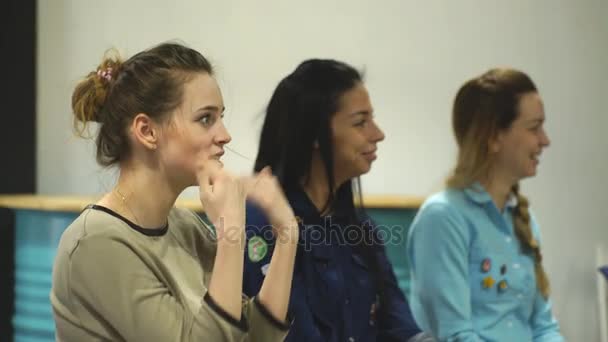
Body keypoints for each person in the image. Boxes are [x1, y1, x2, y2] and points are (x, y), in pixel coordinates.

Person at [50, 42, 299, 341]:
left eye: (221, 117)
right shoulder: (95, 243)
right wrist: (231, 232)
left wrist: (287, 234)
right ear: (147, 131)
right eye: (206, 118)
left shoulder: (186, 227)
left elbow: (253, 338)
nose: (225, 135)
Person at [242, 59, 429, 341]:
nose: (378, 134)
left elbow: (398, 321)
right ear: (315, 134)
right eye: (360, 122)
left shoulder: (359, 227)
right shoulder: (261, 223)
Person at [407, 68, 565, 341]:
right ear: (493, 136)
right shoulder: (443, 217)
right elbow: (456, 334)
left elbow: (544, 327)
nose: (545, 140)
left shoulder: (522, 219)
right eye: (534, 127)